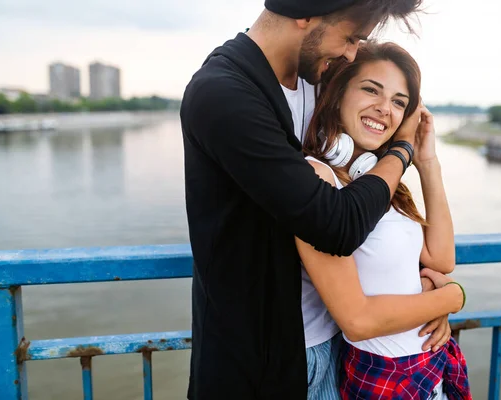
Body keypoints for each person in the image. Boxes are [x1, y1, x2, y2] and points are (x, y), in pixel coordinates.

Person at [180, 1, 427, 398]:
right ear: (305, 12)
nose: (350, 53)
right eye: (349, 38)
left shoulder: (319, 81)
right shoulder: (223, 93)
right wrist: (402, 152)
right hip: (259, 364)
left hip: (335, 345)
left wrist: (425, 292)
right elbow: (336, 225)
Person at [297, 41, 471, 399]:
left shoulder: (382, 181)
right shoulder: (317, 177)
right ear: (338, 92)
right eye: (370, 90)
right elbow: (358, 321)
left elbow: (441, 259)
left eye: (398, 102)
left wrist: (426, 162)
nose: (383, 108)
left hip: (426, 369)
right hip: (382, 376)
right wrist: (451, 297)